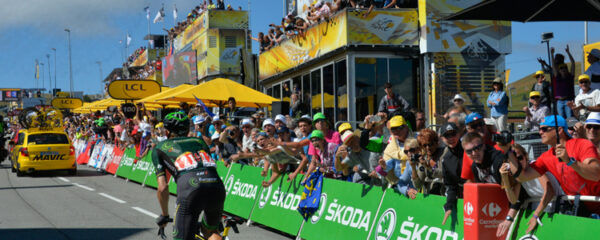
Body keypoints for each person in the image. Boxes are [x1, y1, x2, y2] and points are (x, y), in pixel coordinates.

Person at [151, 112, 225, 240]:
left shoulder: (159, 147)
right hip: (216, 185)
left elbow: (162, 188)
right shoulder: (200, 141)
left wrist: (165, 215)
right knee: (210, 231)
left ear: (168, 131)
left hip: (190, 188)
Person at [506, 115, 600, 216]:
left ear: (559, 130)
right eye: (539, 129)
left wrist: (570, 161)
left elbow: (596, 175)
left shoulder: (582, 144)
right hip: (581, 209)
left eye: (544, 129)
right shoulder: (545, 157)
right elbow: (522, 176)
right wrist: (508, 151)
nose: (540, 132)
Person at [499, 144, 560, 234]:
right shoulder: (517, 175)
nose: (518, 163)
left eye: (520, 158)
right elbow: (513, 200)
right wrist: (505, 178)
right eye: (514, 161)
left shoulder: (534, 166)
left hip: (556, 206)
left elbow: (549, 192)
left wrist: (535, 216)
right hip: (539, 209)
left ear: (526, 156)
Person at [439, 123, 464, 225]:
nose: (451, 138)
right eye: (447, 136)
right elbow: (450, 186)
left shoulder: (470, 150)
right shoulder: (446, 159)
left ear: (459, 134)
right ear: (442, 138)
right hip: (463, 197)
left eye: (453, 134)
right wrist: (449, 204)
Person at [411, 128, 444, 195]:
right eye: (425, 145)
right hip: (431, 196)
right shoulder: (424, 158)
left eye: (430, 144)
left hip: (444, 193)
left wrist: (428, 167)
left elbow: (445, 174)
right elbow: (418, 185)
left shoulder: (444, 153)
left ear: (436, 142)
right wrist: (413, 168)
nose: (428, 148)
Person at [552, 46, 576, 119]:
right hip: (559, 101)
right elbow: (553, 66)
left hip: (568, 100)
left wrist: (568, 53)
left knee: (570, 119)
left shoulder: (570, 77)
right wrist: (552, 54)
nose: (563, 69)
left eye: (565, 68)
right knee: (561, 120)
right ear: (559, 70)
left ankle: (570, 130)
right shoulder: (557, 77)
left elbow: (573, 63)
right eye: (561, 68)